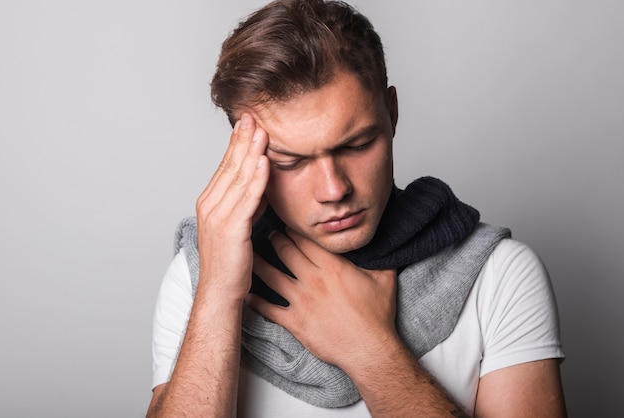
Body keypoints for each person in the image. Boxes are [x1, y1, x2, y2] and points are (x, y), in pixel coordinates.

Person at [146, 0, 567, 416]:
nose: (334, 190)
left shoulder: (500, 274)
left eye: (358, 144)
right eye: (290, 162)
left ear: (392, 114)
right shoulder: (201, 274)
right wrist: (219, 290)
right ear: (244, 157)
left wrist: (370, 348)